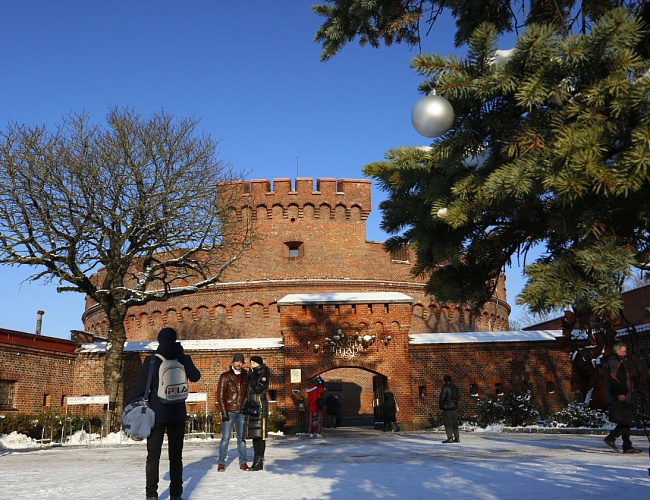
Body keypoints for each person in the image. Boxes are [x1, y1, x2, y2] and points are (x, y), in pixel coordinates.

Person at [126, 327, 201, 500]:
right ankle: (176, 494)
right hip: (177, 415)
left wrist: (128, 406)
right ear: (175, 339)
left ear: (159, 340)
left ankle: (151, 494)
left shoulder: (151, 361)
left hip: (156, 416)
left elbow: (139, 388)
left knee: (153, 457)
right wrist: (184, 360)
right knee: (176, 457)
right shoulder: (183, 358)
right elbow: (195, 377)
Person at [603, 342, 642, 453]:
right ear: (617, 351)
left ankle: (627, 445)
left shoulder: (614, 360)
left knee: (626, 420)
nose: (625, 354)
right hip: (620, 396)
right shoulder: (615, 361)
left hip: (621, 395)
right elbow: (613, 378)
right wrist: (620, 393)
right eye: (623, 351)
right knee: (628, 420)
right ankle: (611, 438)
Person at [216, 353, 249, 471]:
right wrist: (223, 412)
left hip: (242, 412)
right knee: (225, 438)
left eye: (241, 362)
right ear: (233, 362)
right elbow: (220, 396)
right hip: (229, 411)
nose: (238, 364)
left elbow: (248, 394)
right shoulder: (225, 376)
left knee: (242, 438)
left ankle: (243, 462)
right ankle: (221, 462)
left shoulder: (246, 376)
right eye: (237, 361)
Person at [244, 355, 271, 471]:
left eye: (254, 363)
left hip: (259, 408)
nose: (252, 365)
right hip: (252, 407)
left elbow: (259, 389)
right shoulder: (253, 374)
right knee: (255, 436)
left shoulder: (263, 374)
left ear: (259, 364)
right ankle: (256, 460)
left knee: (260, 436)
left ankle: (259, 461)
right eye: (251, 363)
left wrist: (252, 378)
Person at [439, 375, 460, 443]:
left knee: (448, 423)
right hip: (454, 407)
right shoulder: (455, 387)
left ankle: (450, 438)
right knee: (454, 423)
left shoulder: (445, 387)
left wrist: (441, 406)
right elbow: (458, 397)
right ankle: (457, 437)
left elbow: (442, 397)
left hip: (447, 408)